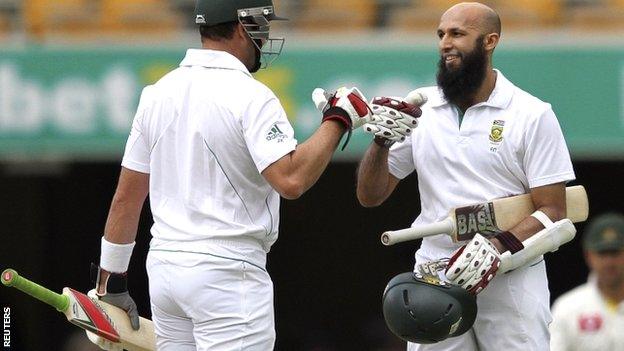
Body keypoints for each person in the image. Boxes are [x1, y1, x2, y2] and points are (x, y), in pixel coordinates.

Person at [84, 1, 420, 350]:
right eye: (263, 24)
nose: (267, 34)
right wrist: (338, 119)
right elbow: (291, 180)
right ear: (245, 27)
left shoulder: (157, 94)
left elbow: (127, 196)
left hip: (166, 270)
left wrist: (112, 283)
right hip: (226, 275)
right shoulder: (252, 95)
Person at [357, 2, 575, 350]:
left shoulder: (532, 114)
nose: (446, 42)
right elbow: (371, 195)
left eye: (458, 34)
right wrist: (381, 141)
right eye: (441, 34)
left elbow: (553, 210)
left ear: (490, 41)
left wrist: (495, 246)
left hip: (509, 270)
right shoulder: (420, 108)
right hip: (436, 272)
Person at [550, 213, 624, 351]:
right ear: (589, 255)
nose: (609, 262)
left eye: (615, 252)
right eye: (602, 253)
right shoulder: (567, 307)